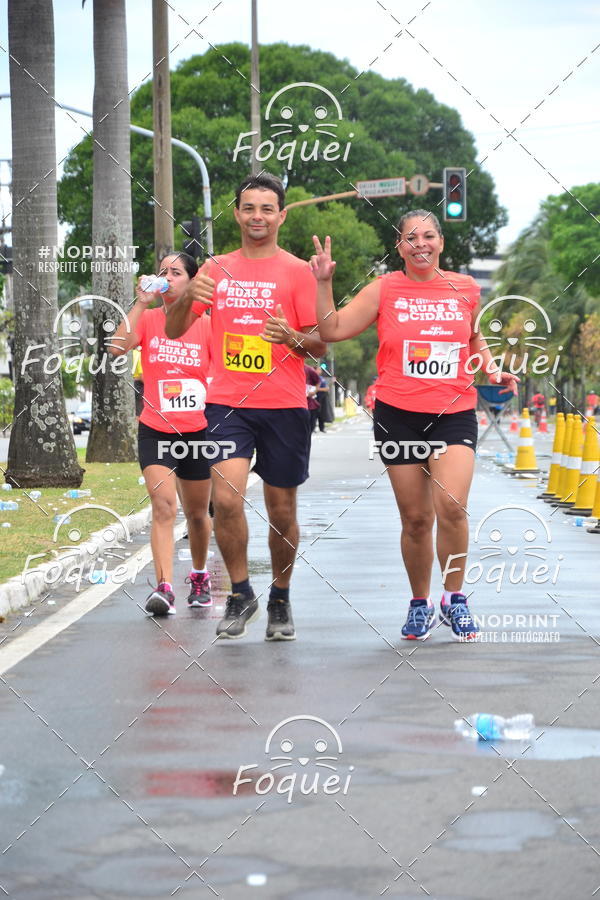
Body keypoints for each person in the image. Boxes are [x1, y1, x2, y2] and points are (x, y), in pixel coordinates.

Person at [311, 210, 518, 642]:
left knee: (452, 507)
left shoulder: (464, 287)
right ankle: (420, 603)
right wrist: (324, 281)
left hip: (453, 411)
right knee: (417, 519)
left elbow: (473, 338)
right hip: (398, 414)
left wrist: (493, 370)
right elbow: (331, 329)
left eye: (428, 236)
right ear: (399, 246)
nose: (419, 243)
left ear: (440, 242)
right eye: (410, 238)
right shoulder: (384, 289)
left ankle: (455, 599)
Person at [166, 173, 326, 641]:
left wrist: (291, 337)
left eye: (267, 208)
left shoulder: (297, 271)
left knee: (281, 509)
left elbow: (321, 344)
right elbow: (175, 329)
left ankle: (280, 597)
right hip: (226, 403)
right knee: (227, 499)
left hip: (285, 405)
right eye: (249, 208)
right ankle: (240, 592)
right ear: (236, 213)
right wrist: (186, 299)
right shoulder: (214, 267)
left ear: (281, 215)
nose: (257, 216)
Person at [111, 252, 213, 616]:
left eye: (176, 271)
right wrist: (140, 304)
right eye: (162, 271)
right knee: (164, 507)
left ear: (191, 281)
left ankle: (199, 576)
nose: (167, 276)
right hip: (156, 429)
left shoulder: (206, 324)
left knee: (198, 514)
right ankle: (165, 587)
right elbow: (115, 348)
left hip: (198, 431)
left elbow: (224, 374)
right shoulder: (151, 318)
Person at [314, 362, 330, 432]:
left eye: (320, 370)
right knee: (315, 413)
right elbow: (314, 388)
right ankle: (313, 427)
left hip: (323, 397)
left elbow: (327, 387)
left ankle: (322, 428)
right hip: (316, 397)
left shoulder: (321, 378)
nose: (320, 371)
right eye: (319, 370)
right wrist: (322, 389)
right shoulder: (313, 378)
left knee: (322, 413)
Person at [305, 362, 321, 433]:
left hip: (310, 404)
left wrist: (314, 391)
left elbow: (318, 381)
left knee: (309, 428)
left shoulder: (308, 369)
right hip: (294, 404)